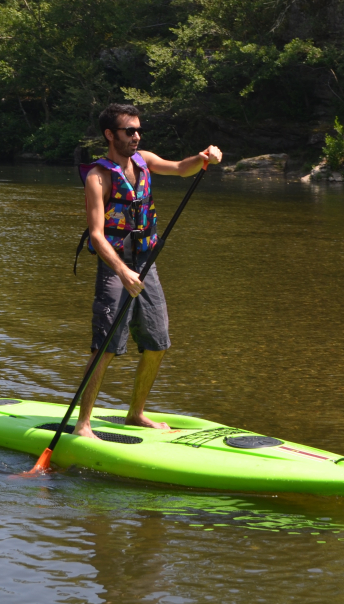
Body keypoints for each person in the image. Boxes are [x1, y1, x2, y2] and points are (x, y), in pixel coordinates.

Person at [73, 103, 222, 439]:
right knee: (106, 347)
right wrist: (123, 272)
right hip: (116, 265)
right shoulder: (99, 177)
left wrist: (204, 157)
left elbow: (182, 168)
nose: (137, 136)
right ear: (111, 134)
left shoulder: (145, 161)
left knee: (157, 342)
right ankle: (83, 425)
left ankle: (136, 414)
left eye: (139, 130)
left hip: (146, 262)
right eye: (130, 131)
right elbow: (97, 234)